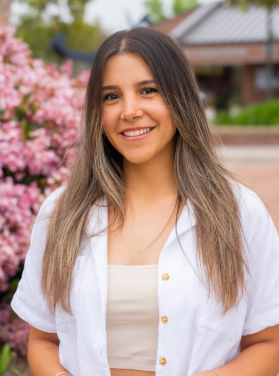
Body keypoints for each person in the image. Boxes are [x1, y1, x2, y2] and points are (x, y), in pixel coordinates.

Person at [11, 27, 279, 376]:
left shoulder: (241, 212)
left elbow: (268, 345)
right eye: (111, 97)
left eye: (148, 90)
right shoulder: (61, 214)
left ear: (180, 97)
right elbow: (44, 339)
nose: (130, 110)